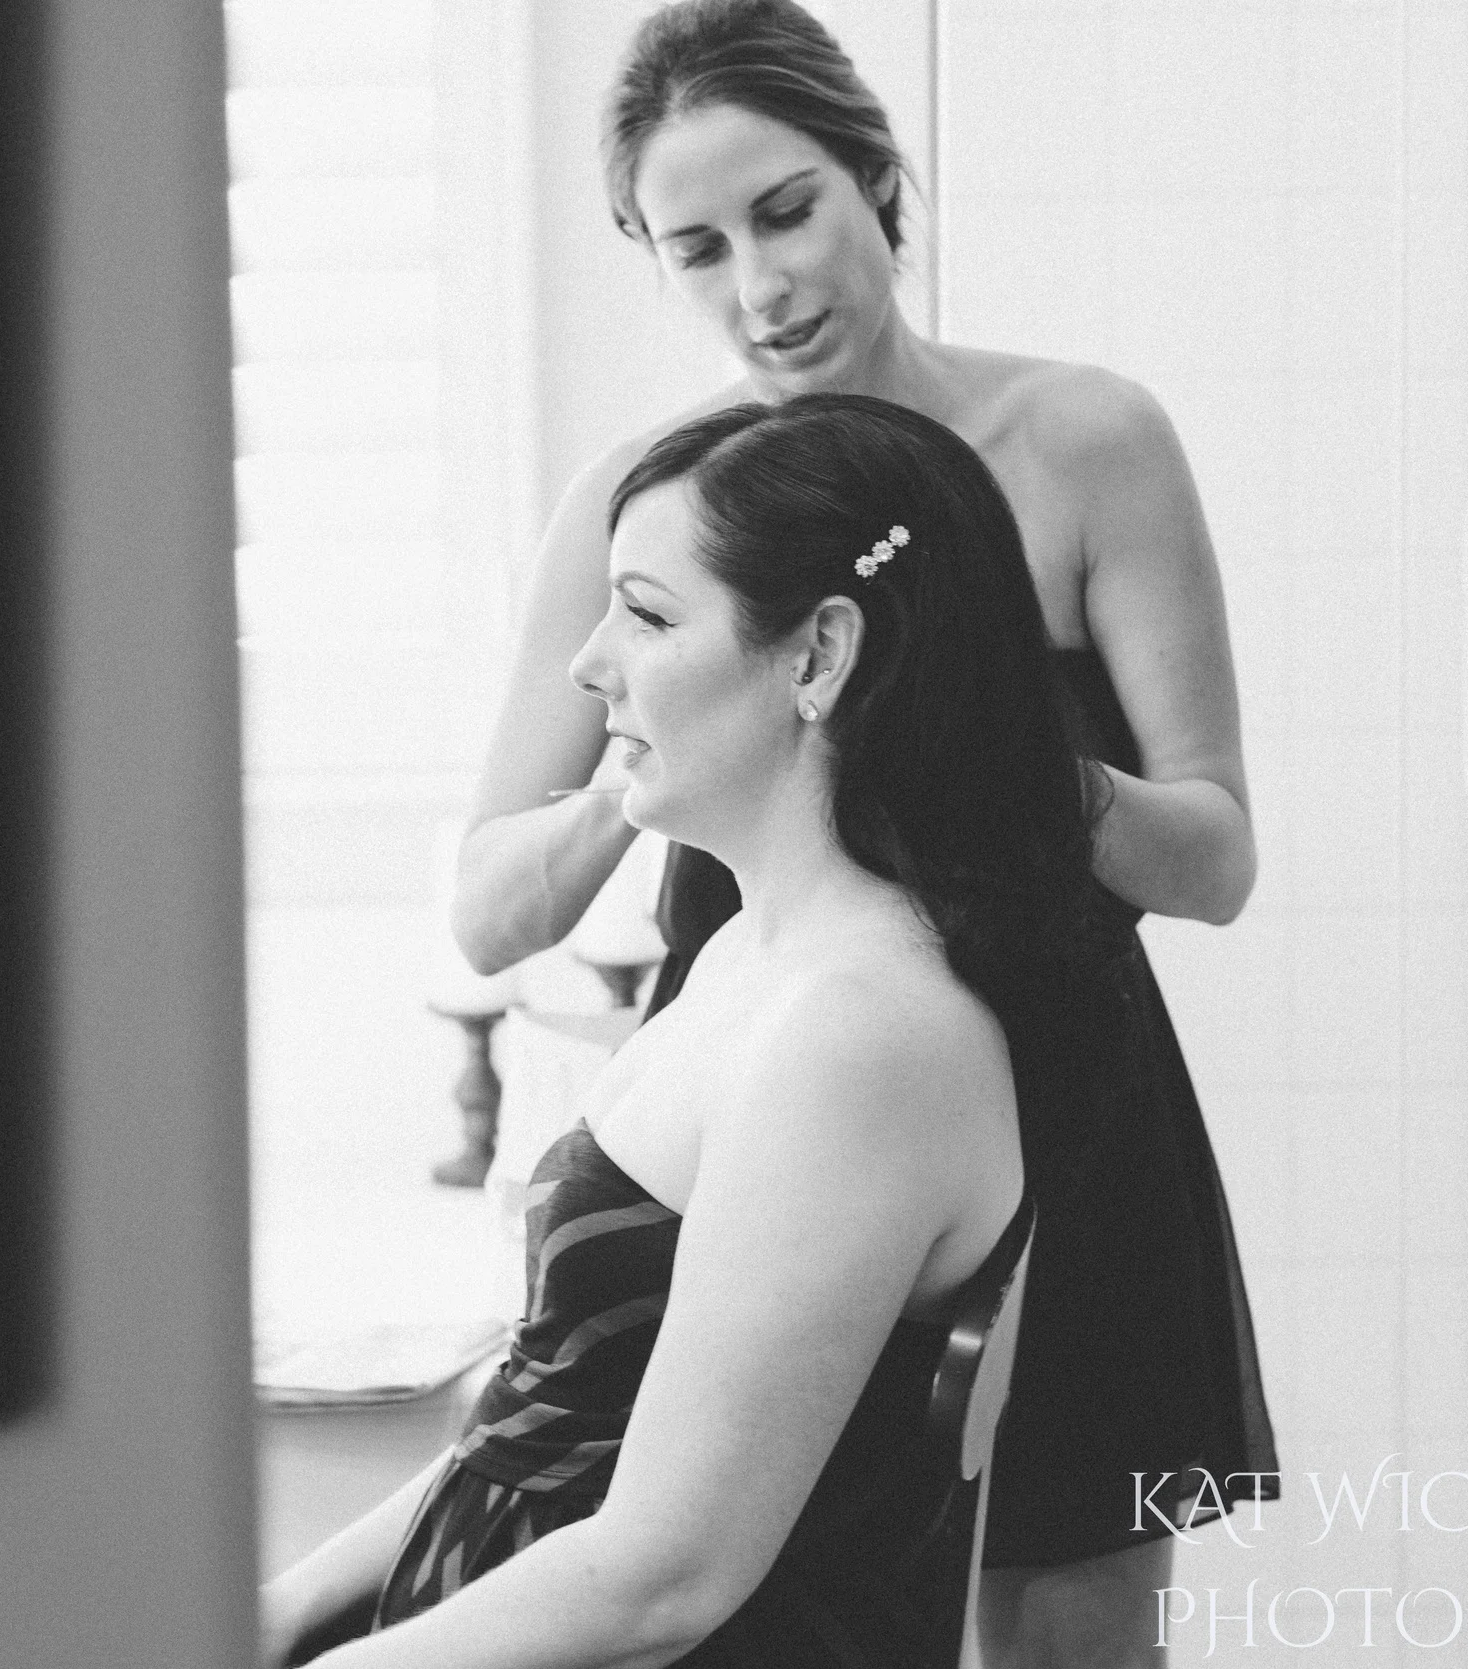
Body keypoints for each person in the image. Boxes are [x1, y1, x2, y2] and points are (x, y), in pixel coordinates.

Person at [447, 4, 1275, 1663]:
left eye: (788, 207)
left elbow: (1217, 857)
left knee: (1070, 1630)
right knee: (735, 1597)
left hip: (1069, 1109)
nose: (760, 283)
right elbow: (488, 913)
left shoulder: (1089, 441)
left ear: (876, 177)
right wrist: (662, 722)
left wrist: (985, 729)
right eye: (697, 245)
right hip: (762, 1125)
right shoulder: (646, 509)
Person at [265, 391, 1123, 1668]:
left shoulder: (864, 1034)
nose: (588, 661)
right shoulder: (751, 954)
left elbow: (665, 1575)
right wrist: (269, 1616)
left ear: (819, 657)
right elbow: (527, 1423)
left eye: (649, 614)